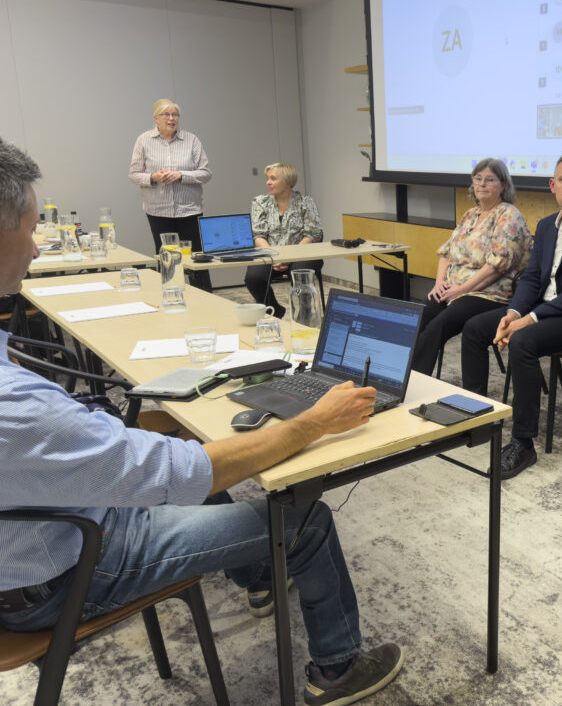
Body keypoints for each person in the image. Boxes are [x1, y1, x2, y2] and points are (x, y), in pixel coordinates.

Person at [2, 137, 403, 706]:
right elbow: (175, 473)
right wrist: (312, 422)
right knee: (305, 521)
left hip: (40, 541)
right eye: (30, 226)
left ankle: (260, 577)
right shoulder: (15, 404)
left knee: (192, 455)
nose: (39, 246)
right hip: (70, 566)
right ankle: (337, 670)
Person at [461, 151, 562, 479]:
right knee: (474, 329)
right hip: (544, 312)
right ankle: (476, 416)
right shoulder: (546, 227)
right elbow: (534, 278)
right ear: (552, 185)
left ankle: (523, 443)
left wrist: (527, 320)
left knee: (522, 340)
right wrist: (513, 311)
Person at [411, 158, 531, 375]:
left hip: (490, 294)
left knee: (438, 326)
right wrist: (439, 283)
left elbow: (496, 266)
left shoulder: (508, 215)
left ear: (503, 185)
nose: (482, 184)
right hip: (456, 289)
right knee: (419, 317)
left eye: (489, 180)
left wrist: (462, 289)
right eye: (478, 179)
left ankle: (413, 381)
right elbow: (446, 252)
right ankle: (396, 377)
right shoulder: (470, 214)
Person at [128, 98, 213, 291]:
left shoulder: (191, 140)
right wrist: (154, 177)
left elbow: (206, 173)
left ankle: (205, 296)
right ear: (156, 118)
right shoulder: (144, 140)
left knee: (196, 258)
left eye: (175, 114)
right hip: (158, 210)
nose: (171, 118)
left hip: (189, 210)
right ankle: (169, 295)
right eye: (166, 114)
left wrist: (181, 175)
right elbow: (133, 174)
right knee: (166, 258)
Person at [245, 163, 325, 319]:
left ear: (288, 182)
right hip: (270, 254)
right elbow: (258, 235)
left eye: (273, 179)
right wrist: (274, 257)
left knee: (302, 274)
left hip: (301, 254)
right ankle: (273, 309)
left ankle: (305, 316)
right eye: (267, 179)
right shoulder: (260, 202)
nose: (268, 182)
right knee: (253, 278)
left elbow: (313, 233)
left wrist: (290, 257)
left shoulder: (305, 202)